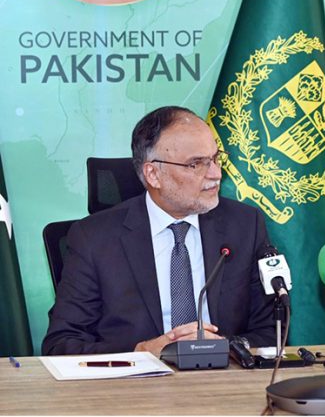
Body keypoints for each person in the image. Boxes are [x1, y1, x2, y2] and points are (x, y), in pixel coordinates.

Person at [43, 106, 275, 355]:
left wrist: (221, 348)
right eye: (196, 164)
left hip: (223, 379)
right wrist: (142, 351)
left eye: (216, 159)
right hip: (135, 387)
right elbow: (61, 344)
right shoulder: (94, 239)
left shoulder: (245, 224)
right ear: (153, 174)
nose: (216, 174)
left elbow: (272, 330)